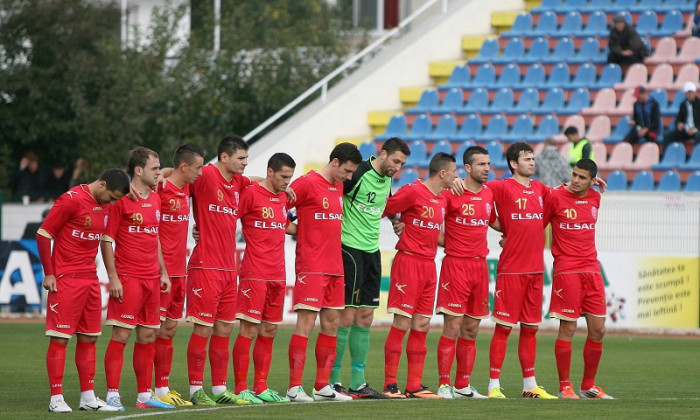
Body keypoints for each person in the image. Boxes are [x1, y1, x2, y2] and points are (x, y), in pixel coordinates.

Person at [37, 168, 130, 413]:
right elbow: (44, 234)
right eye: (111, 197)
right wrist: (49, 272)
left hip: (89, 278)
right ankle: (56, 398)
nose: (112, 203)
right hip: (65, 279)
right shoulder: (71, 201)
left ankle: (87, 398)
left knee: (89, 338)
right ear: (102, 184)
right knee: (60, 338)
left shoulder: (107, 205)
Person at [330, 137, 410, 399]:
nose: (397, 167)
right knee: (346, 317)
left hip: (372, 252)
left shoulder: (386, 178)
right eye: (396, 161)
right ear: (383, 154)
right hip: (349, 249)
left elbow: (382, 206)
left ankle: (358, 383)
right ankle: (333, 382)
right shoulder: (358, 173)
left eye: (402, 164)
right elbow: (330, 194)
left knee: (365, 317)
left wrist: (396, 221)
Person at [285, 142, 362, 403]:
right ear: (335, 162)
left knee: (332, 323)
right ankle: (294, 387)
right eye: (348, 171)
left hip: (335, 266)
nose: (349, 177)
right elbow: (276, 202)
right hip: (311, 265)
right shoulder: (306, 183)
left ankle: (321, 386)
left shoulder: (338, 184)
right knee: (305, 324)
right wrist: (293, 229)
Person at [183, 136, 255, 406]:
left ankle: (219, 389)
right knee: (202, 330)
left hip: (228, 269)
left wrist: (283, 188)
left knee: (224, 329)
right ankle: (195, 390)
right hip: (205, 266)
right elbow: (175, 177)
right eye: (241, 159)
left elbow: (256, 181)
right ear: (224, 157)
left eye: (246, 159)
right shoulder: (205, 175)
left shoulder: (238, 181)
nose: (245, 164)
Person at [101, 147, 175, 410]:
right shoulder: (120, 200)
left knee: (148, 336)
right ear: (139, 170)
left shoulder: (155, 198)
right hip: (128, 277)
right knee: (121, 335)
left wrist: (163, 271)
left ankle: (144, 396)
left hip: (152, 279)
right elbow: (107, 240)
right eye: (155, 169)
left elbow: (154, 238)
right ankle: (112, 394)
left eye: (159, 168)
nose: (159, 172)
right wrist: (114, 278)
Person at [381, 152, 458, 399]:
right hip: (408, 262)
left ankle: (414, 385)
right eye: (454, 172)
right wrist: (396, 221)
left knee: (422, 323)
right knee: (402, 322)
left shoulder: (444, 198)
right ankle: (390, 384)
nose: (457, 176)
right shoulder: (413, 191)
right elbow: (385, 207)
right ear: (443, 173)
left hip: (429, 265)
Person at [485, 142, 557, 399]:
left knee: (530, 329)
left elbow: (563, 194)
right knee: (503, 328)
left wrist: (590, 182)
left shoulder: (540, 188)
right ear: (514, 163)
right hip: (511, 270)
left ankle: (530, 385)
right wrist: (502, 227)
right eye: (527, 159)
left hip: (536, 271)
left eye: (532, 158)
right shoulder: (501, 186)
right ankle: (493, 384)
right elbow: (477, 195)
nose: (532, 163)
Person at [543, 158, 613, 400]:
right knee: (569, 327)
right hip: (567, 269)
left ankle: (588, 386)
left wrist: (594, 185)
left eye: (582, 177)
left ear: (592, 181)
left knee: (598, 329)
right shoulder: (555, 197)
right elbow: (537, 225)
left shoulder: (596, 198)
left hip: (592, 270)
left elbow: (592, 192)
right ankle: (564, 386)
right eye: (574, 175)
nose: (575, 180)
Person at [231, 153, 297, 404]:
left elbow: (285, 225)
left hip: (278, 273)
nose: (287, 182)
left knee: (269, 330)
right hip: (254, 273)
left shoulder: (283, 197)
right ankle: (240, 388)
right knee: (248, 329)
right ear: (270, 172)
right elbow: (228, 218)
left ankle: (261, 386)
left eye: (290, 177)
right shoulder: (250, 194)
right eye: (283, 176)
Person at [434, 146, 497, 399]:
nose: (487, 168)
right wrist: (451, 244)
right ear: (468, 168)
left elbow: (495, 221)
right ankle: (443, 384)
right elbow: (431, 225)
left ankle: (462, 385)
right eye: (481, 164)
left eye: (488, 164)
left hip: (480, 266)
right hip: (456, 266)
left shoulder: (490, 193)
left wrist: (511, 234)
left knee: (471, 328)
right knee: (452, 325)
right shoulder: (451, 194)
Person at [153, 143, 205, 407]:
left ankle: (162, 387)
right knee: (151, 331)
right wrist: (161, 269)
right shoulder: (160, 189)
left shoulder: (187, 186)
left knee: (170, 329)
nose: (201, 172)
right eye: (197, 168)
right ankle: (148, 391)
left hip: (179, 271)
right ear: (184, 167)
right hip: (159, 272)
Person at [663, 82, 700, 149]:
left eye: (691, 92)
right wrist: (679, 124)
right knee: (667, 136)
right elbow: (679, 118)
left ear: (694, 92)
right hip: (686, 130)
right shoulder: (683, 104)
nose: (689, 94)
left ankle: (697, 156)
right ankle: (667, 155)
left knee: (698, 136)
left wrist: (696, 129)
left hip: (697, 130)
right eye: (688, 92)